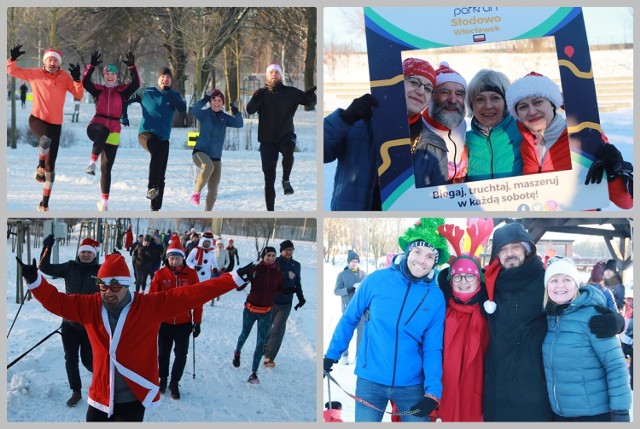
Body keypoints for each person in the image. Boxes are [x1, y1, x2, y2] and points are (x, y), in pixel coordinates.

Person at [16, 253, 255, 422]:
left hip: (133, 398)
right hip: (100, 394)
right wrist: (35, 280)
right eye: (103, 286)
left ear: (128, 285)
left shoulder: (149, 306)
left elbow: (192, 294)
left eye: (115, 286)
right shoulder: (90, 306)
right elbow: (57, 302)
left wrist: (233, 279)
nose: (108, 292)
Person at [482, 221, 626, 421]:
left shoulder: (545, 280)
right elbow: (461, 289)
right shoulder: (490, 284)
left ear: (527, 249)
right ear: (496, 255)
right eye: (503, 249)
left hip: (536, 391)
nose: (510, 253)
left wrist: (615, 320)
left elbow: (578, 296)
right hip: (498, 389)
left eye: (515, 247)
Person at [324, 218, 448, 422]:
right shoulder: (376, 280)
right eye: (417, 252)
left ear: (435, 261)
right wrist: (331, 355)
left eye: (429, 256)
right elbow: (350, 318)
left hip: (412, 386)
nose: (421, 260)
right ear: (408, 251)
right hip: (370, 380)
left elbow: (433, 348)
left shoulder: (436, 297)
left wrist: (432, 391)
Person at [323, 57, 446, 208]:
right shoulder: (357, 123)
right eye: (414, 82)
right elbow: (323, 153)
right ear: (396, 83)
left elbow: (438, 202)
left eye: (428, 88)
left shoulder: (434, 144)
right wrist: (344, 118)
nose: (421, 91)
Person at [506, 71, 633, 209]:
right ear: (517, 113)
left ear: (553, 104)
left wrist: (613, 175)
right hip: (540, 226)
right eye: (523, 106)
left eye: (538, 102)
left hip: (581, 225)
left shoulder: (583, 137)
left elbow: (627, 203)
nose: (531, 111)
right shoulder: (526, 145)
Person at [541, 257, 631, 422]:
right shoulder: (549, 319)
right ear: (547, 287)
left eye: (566, 279)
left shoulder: (593, 316)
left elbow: (616, 367)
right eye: (554, 280)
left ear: (576, 284)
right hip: (560, 414)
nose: (560, 285)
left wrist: (620, 412)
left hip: (593, 415)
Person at [6, 44, 84, 211]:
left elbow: (78, 95)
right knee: (45, 139)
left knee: (52, 168)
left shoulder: (64, 77)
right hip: (37, 120)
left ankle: (44, 204)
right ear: (45, 61)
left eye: (55, 60)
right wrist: (12, 60)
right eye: (50, 59)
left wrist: (77, 80)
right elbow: (12, 71)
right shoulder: (35, 74)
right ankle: (39, 166)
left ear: (59, 63)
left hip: (56, 125)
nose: (52, 62)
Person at [38, 235, 100, 407]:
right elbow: (44, 267)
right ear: (79, 254)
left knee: (89, 360)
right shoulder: (70, 267)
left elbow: (118, 282)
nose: (86, 255)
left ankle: (103, 382)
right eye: (83, 252)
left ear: (94, 254)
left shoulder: (101, 272)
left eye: (89, 252)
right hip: (70, 324)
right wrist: (47, 248)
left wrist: (117, 261)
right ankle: (76, 391)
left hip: (89, 325)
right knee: (71, 359)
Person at [245, 63, 317, 210]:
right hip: (267, 140)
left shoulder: (291, 92)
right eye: (271, 72)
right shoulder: (261, 94)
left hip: (286, 134)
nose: (274, 74)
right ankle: (270, 211)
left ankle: (286, 180)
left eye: (277, 72)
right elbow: (250, 110)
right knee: (269, 179)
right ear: (267, 75)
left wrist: (311, 96)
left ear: (280, 75)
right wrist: (255, 99)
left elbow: (308, 102)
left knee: (289, 148)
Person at [82, 51, 140, 211]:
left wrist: (132, 67)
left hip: (114, 129)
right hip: (96, 125)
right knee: (103, 132)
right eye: (107, 73)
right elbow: (85, 82)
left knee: (106, 169)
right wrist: (91, 66)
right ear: (104, 76)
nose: (109, 76)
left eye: (112, 74)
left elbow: (136, 84)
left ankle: (104, 203)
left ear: (116, 77)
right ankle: (91, 163)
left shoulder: (122, 91)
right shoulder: (98, 90)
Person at [148, 240, 201, 400]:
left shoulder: (191, 274)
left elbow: (198, 299)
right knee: (163, 354)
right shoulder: (160, 274)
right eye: (171, 258)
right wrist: (152, 320)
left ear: (183, 258)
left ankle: (174, 382)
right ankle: (162, 380)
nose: (174, 261)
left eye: (177, 258)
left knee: (181, 355)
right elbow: (152, 299)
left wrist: (197, 321)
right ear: (167, 258)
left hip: (184, 323)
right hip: (164, 323)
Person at [128, 67, 186, 211]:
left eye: (168, 77)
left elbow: (183, 108)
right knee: (156, 152)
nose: (165, 79)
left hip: (164, 139)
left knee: (161, 173)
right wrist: (122, 115)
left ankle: (155, 208)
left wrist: (171, 95)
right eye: (163, 76)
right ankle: (151, 187)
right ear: (158, 78)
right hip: (146, 134)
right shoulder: (147, 92)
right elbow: (127, 97)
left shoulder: (173, 95)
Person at [232, 247, 283, 384]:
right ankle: (237, 352)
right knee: (244, 335)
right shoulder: (255, 269)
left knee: (261, 342)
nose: (271, 258)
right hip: (250, 309)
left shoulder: (278, 273)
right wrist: (244, 276)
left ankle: (254, 373)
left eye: (273, 255)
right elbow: (239, 287)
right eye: (268, 255)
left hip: (266, 312)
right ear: (263, 256)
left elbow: (280, 289)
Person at [464, 69, 523, 181]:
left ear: (506, 102)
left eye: (495, 98)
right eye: (480, 99)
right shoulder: (463, 141)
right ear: (472, 105)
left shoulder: (524, 133)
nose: (488, 106)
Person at [189, 88, 243, 209]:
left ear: (222, 103)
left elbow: (239, 123)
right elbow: (195, 110)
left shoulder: (225, 118)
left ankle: (207, 213)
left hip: (216, 157)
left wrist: (235, 111)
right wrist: (205, 98)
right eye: (214, 100)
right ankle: (196, 194)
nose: (217, 103)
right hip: (200, 152)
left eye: (219, 100)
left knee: (213, 191)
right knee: (208, 167)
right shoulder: (204, 114)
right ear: (210, 102)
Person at [421, 62, 469, 183]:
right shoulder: (416, 130)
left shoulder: (462, 124)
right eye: (444, 92)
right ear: (431, 96)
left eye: (459, 94)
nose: (453, 100)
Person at [263, 240, 306, 368]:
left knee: (278, 329)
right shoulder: (274, 262)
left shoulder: (296, 265)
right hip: (271, 300)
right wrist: (286, 275)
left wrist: (301, 298)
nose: (289, 252)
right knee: (266, 327)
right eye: (286, 249)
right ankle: (264, 345)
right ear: (281, 251)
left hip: (286, 303)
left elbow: (297, 282)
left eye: (291, 250)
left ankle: (269, 357)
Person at [333, 249, 366, 365]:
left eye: (356, 261)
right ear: (348, 262)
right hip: (348, 309)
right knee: (346, 333)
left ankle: (359, 356)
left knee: (362, 334)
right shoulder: (342, 275)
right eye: (352, 261)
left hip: (362, 309)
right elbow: (336, 291)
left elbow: (367, 290)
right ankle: (345, 355)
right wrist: (347, 290)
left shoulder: (363, 274)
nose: (354, 263)